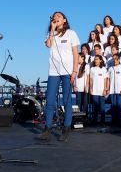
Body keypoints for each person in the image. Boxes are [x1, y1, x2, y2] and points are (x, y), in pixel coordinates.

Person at [37, 11, 79, 142]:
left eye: (59, 16)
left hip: (67, 71)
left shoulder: (71, 33)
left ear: (65, 20)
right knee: (50, 101)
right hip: (54, 71)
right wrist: (52, 30)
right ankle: (48, 129)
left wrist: (74, 71)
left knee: (66, 101)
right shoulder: (52, 34)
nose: (56, 18)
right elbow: (48, 45)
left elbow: (75, 54)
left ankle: (66, 129)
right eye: (54, 17)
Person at [89, 55, 109, 125]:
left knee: (102, 107)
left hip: (101, 91)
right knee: (95, 107)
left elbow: (106, 80)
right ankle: (95, 121)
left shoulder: (103, 69)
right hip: (94, 91)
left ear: (100, 60)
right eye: (95, 59)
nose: (95, 60)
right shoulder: (92, 69)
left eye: (97, 59)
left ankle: (102, 121)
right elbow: (91, 80)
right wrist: (91, 88)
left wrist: (105, 89)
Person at [108, 54, 121, 124]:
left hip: (119, 89)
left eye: (116, 59)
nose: (115, 60)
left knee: (119, 104)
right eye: (114, 59)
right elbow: (108, 79)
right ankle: (114, 119)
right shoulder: (110, 68)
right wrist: (108, 88)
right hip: (112, 90)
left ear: (119, 60)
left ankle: (119, 119)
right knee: (113, 104)